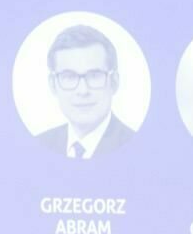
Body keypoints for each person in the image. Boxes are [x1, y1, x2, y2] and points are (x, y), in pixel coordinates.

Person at [35, 24, 136, 159]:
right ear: (53, 85)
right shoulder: (40, 144)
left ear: (114, 82)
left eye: (94, 76)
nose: (83, 91)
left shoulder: (135, 145)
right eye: (69, 77)